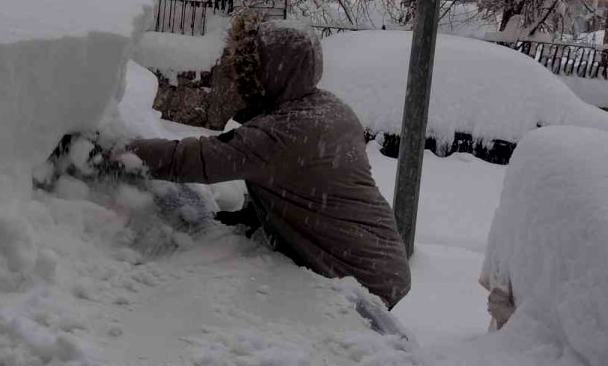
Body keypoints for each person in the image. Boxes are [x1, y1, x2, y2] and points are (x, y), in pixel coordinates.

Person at [124, 21, 410, 309]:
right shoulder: (329, 108)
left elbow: (194, 159)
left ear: (271, 73)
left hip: (359, 275)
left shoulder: (282, 132)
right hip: (381, 259)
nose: (238, 80)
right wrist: (256, 215)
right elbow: (304, 182)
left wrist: (119, 151)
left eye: (248, 71)